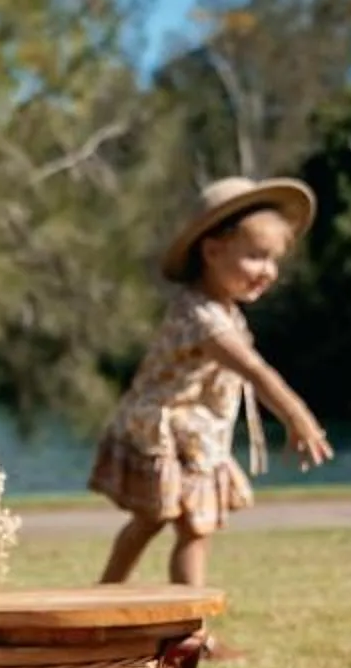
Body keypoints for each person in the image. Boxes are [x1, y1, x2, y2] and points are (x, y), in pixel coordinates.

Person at [91, 176, 334, 591]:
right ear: (213, 250)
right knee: (188, 527)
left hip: (191, 432)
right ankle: (181, 628)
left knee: (167, 523)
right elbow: (254, 370)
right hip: (167, 430)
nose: (269, 272)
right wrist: (297, 417)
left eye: (274, 260)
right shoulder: (202, 318)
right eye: (256, 257)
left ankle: (108, 598)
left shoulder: (222, 310)